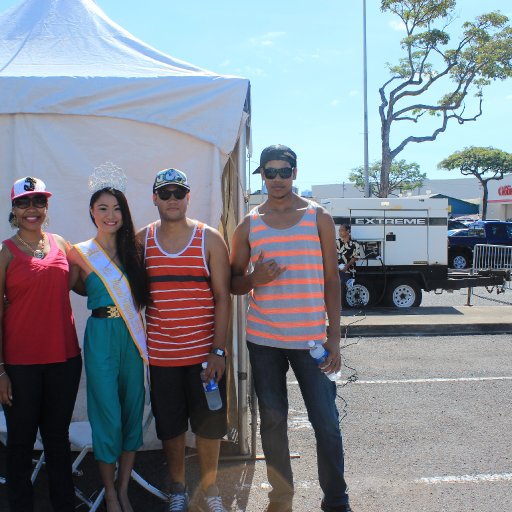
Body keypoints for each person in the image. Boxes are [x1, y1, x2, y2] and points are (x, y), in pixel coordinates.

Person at [230, 145, 353, 512]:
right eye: (270, 172)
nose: (278, 179)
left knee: (326, 424)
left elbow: (332, 279)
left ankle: (336, 501)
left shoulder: (318, 217)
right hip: (264, 340)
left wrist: (334, 336)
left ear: (295, 173)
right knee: (272, 423)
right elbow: (234, 283)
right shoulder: (248, 224)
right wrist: (254, 277)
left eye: (285, 171)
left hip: (312, 338)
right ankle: (281, 498)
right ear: (262, 175)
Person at [137, 168, 231, 512]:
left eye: (179, 193)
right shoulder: (141, 240)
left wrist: (218, 351)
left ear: (188, 197)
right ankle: (178, 488)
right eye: (165, 194)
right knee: (171, 428)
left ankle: (210, 490)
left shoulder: (210, 239)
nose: (172, 199)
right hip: (162, 357)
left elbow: (223, 297)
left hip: (206, 359)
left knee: (209, 429)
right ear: (155, 199)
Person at [67, 164, 149, 512]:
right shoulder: (79, 253)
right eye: (103, 208)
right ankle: (110, 494)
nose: (110, 215)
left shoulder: (137, 249)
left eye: (116, 208)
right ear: (91, 211)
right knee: (106, 416)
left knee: (132, 412)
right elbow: (67, 288)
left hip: (131, 338)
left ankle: (124, 487)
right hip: (100, 335)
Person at [0, 176, 82, 512]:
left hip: (64, 359)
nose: (32, 209)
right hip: (19, 366)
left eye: (39, 202)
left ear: (46, 208)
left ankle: (64, 504)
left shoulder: (62, 244)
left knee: (58, 441)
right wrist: (0, 370)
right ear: (14, 210)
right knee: (20, 443)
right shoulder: (5, 253)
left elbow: (88, 282)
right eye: (24, 203)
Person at [336, 224, 363, 305]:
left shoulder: (355, 244)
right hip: (337, 267)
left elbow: (355, 257)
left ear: (348, 231)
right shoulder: (336, 242)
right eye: (339, 230)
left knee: (340, 278)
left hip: (349, 268)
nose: (340, 232)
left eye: (342, 230)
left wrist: (346, 267)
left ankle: (341, 305)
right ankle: (348, 281)